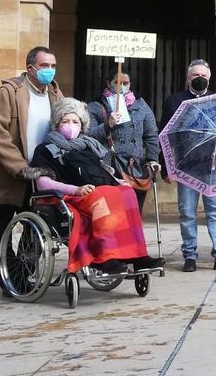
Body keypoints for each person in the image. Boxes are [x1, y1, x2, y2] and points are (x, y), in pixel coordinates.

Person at [32, 99, 163, 274]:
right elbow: (42, 183)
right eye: (65, 121)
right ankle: (104, 257)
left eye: (75, 121)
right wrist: (75, 189)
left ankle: (137, 256)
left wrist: (119, 182)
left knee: (127, 194)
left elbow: (101, 173)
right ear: (56, 124)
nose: (70, 125)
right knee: (102, 198)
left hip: (95, 191)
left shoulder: (87, 146)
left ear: (82, 125)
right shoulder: (45, 149)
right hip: (68, 196)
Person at [0, 46, 63, 288]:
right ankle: (7, 278)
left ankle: (21, 275)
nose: (50, 70)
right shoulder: (9, 92)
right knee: (0, 232)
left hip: (40, 176)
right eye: (44, 65)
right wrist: (20, 167)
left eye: (53, 66)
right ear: (30, 68)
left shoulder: (56, 95)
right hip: (7, 175)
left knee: (38, 229)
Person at [161, 60, 216, 272]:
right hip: (186, 167)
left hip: (213, 167)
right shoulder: (175, 101)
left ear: (209, 78)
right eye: (195, 75)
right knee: (187, 213)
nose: (199, 78)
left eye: (203, 75)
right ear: (188, 78)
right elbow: (165, 134)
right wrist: (166, 167)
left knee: (215, 212)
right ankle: (190, 255)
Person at [86, 65, 160, 211]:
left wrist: (152, 159)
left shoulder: (141, 106)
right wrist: (108, 124)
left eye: (125, 83)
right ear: (108, 83)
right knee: (114, 213)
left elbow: (151, 135)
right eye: (117, 83)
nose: (121, 87)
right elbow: (88, 136)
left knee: (134, 211)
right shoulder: (95, 106)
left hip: (136, 167)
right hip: (109, 167)